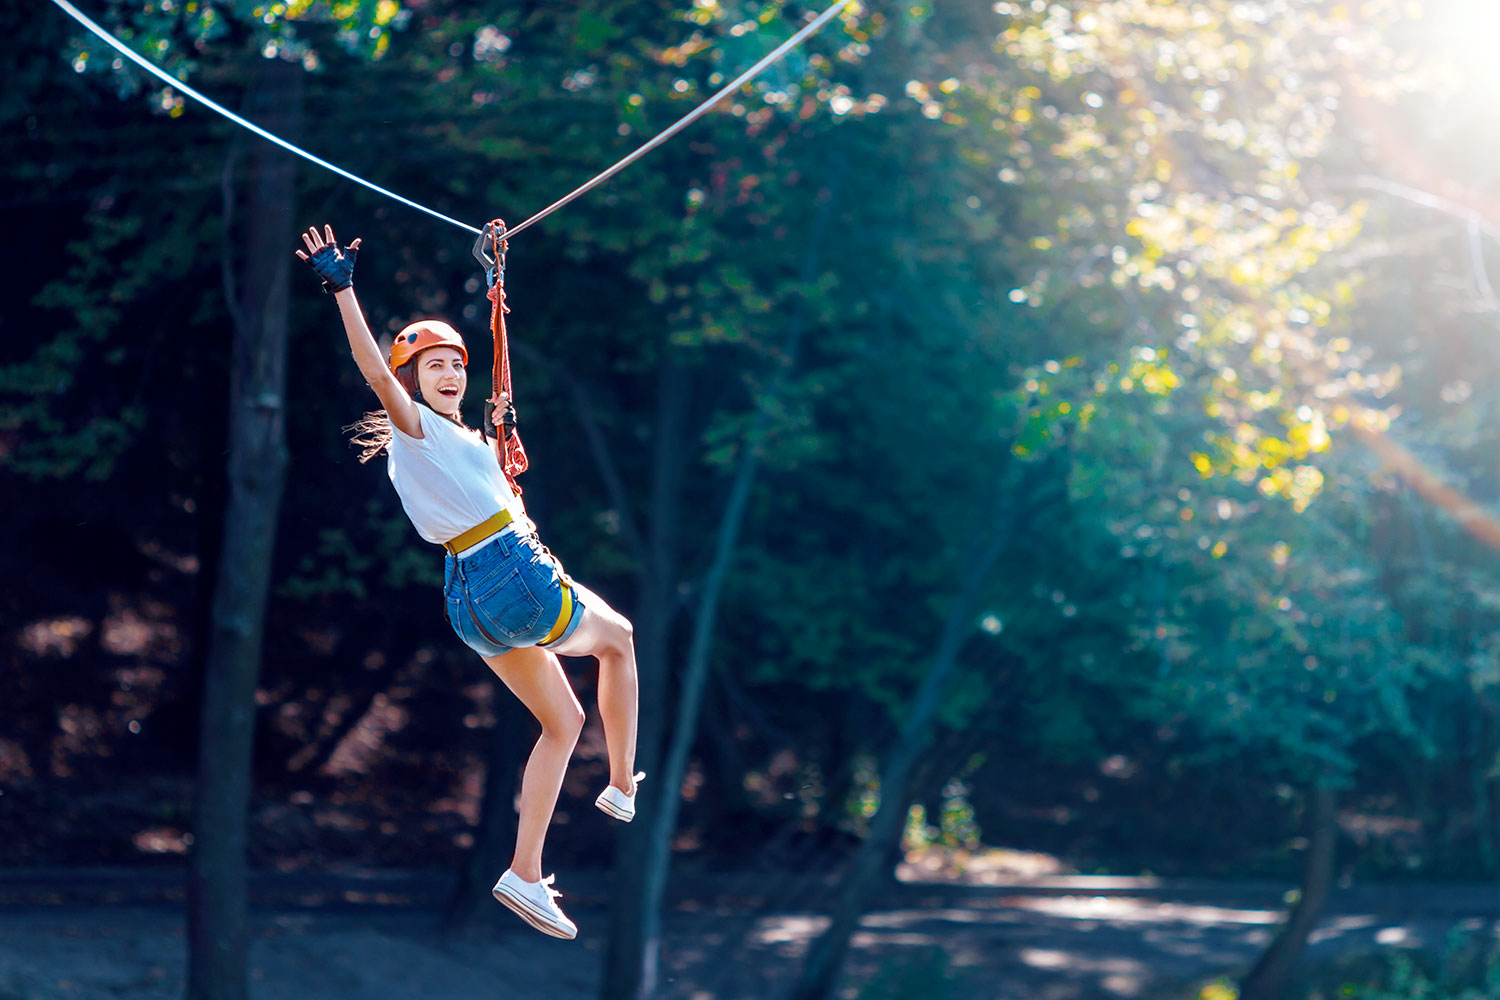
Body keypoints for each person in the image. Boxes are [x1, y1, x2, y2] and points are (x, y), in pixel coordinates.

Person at [295, 224, 642, 940]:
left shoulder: (469, 442)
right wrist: (343, 290)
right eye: (433, 367)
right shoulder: (416, 428)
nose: (449, 373)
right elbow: (372, 369)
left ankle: (523, 872)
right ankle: (620, 785)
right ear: (415, 384)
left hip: (468, 600)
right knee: (621, 639)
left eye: (455, 362)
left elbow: (491, 485)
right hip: (506, 575)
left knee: (564, 721)